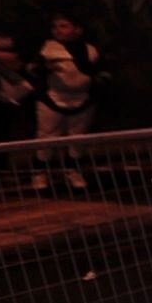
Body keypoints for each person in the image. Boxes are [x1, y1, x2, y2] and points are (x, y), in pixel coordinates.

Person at [32, 10, 105, 190]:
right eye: (55, 27)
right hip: (53, 99)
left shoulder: (91, 50)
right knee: (47, 137)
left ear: (77, 29)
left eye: (63, 26)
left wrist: (99, 81)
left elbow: (101, 72)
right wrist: (45, 67)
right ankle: (40, 173)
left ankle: (72, 171)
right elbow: (32, 69)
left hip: (82, 100)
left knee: (77, 138)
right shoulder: (47, 49)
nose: (58, 30)